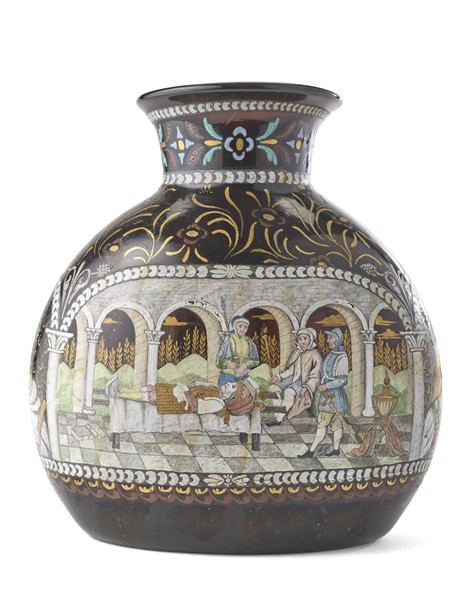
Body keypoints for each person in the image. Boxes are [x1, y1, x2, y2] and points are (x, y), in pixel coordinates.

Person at [298, 327, 349, 458]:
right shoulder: (332, 354)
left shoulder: (342, 357)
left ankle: (311, 451)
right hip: (328, 396)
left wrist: (326, 385)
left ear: (337, 340)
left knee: (325, 424)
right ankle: (335, 450)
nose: (327, 340)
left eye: (330, 338)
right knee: (334, 425)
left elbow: (342, 380)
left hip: (333, 397)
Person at [267, 328, 322, 426]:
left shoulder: (315, 354)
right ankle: (278, 415)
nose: (302, 341)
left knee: (289, 391)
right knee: (273, 388)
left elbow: (316, 375)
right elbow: (291, 370)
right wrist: (278, 377)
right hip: (292, 379)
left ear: (311, 339)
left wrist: (307, 387)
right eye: (300, 339)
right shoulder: (297, 351)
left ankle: (278, 419)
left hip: (304, 382)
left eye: (305, 338)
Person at [216, 315, 260, 387]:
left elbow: (256, 360)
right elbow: (219, 362)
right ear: (235, 326)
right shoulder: (229, 340)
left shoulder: (249, 341)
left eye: (245, 327)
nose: (243, 329)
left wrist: (244, 366)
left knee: (253, 390)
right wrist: (228, 364)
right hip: (228, 377)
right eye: (240, 326)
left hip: (243, 376)